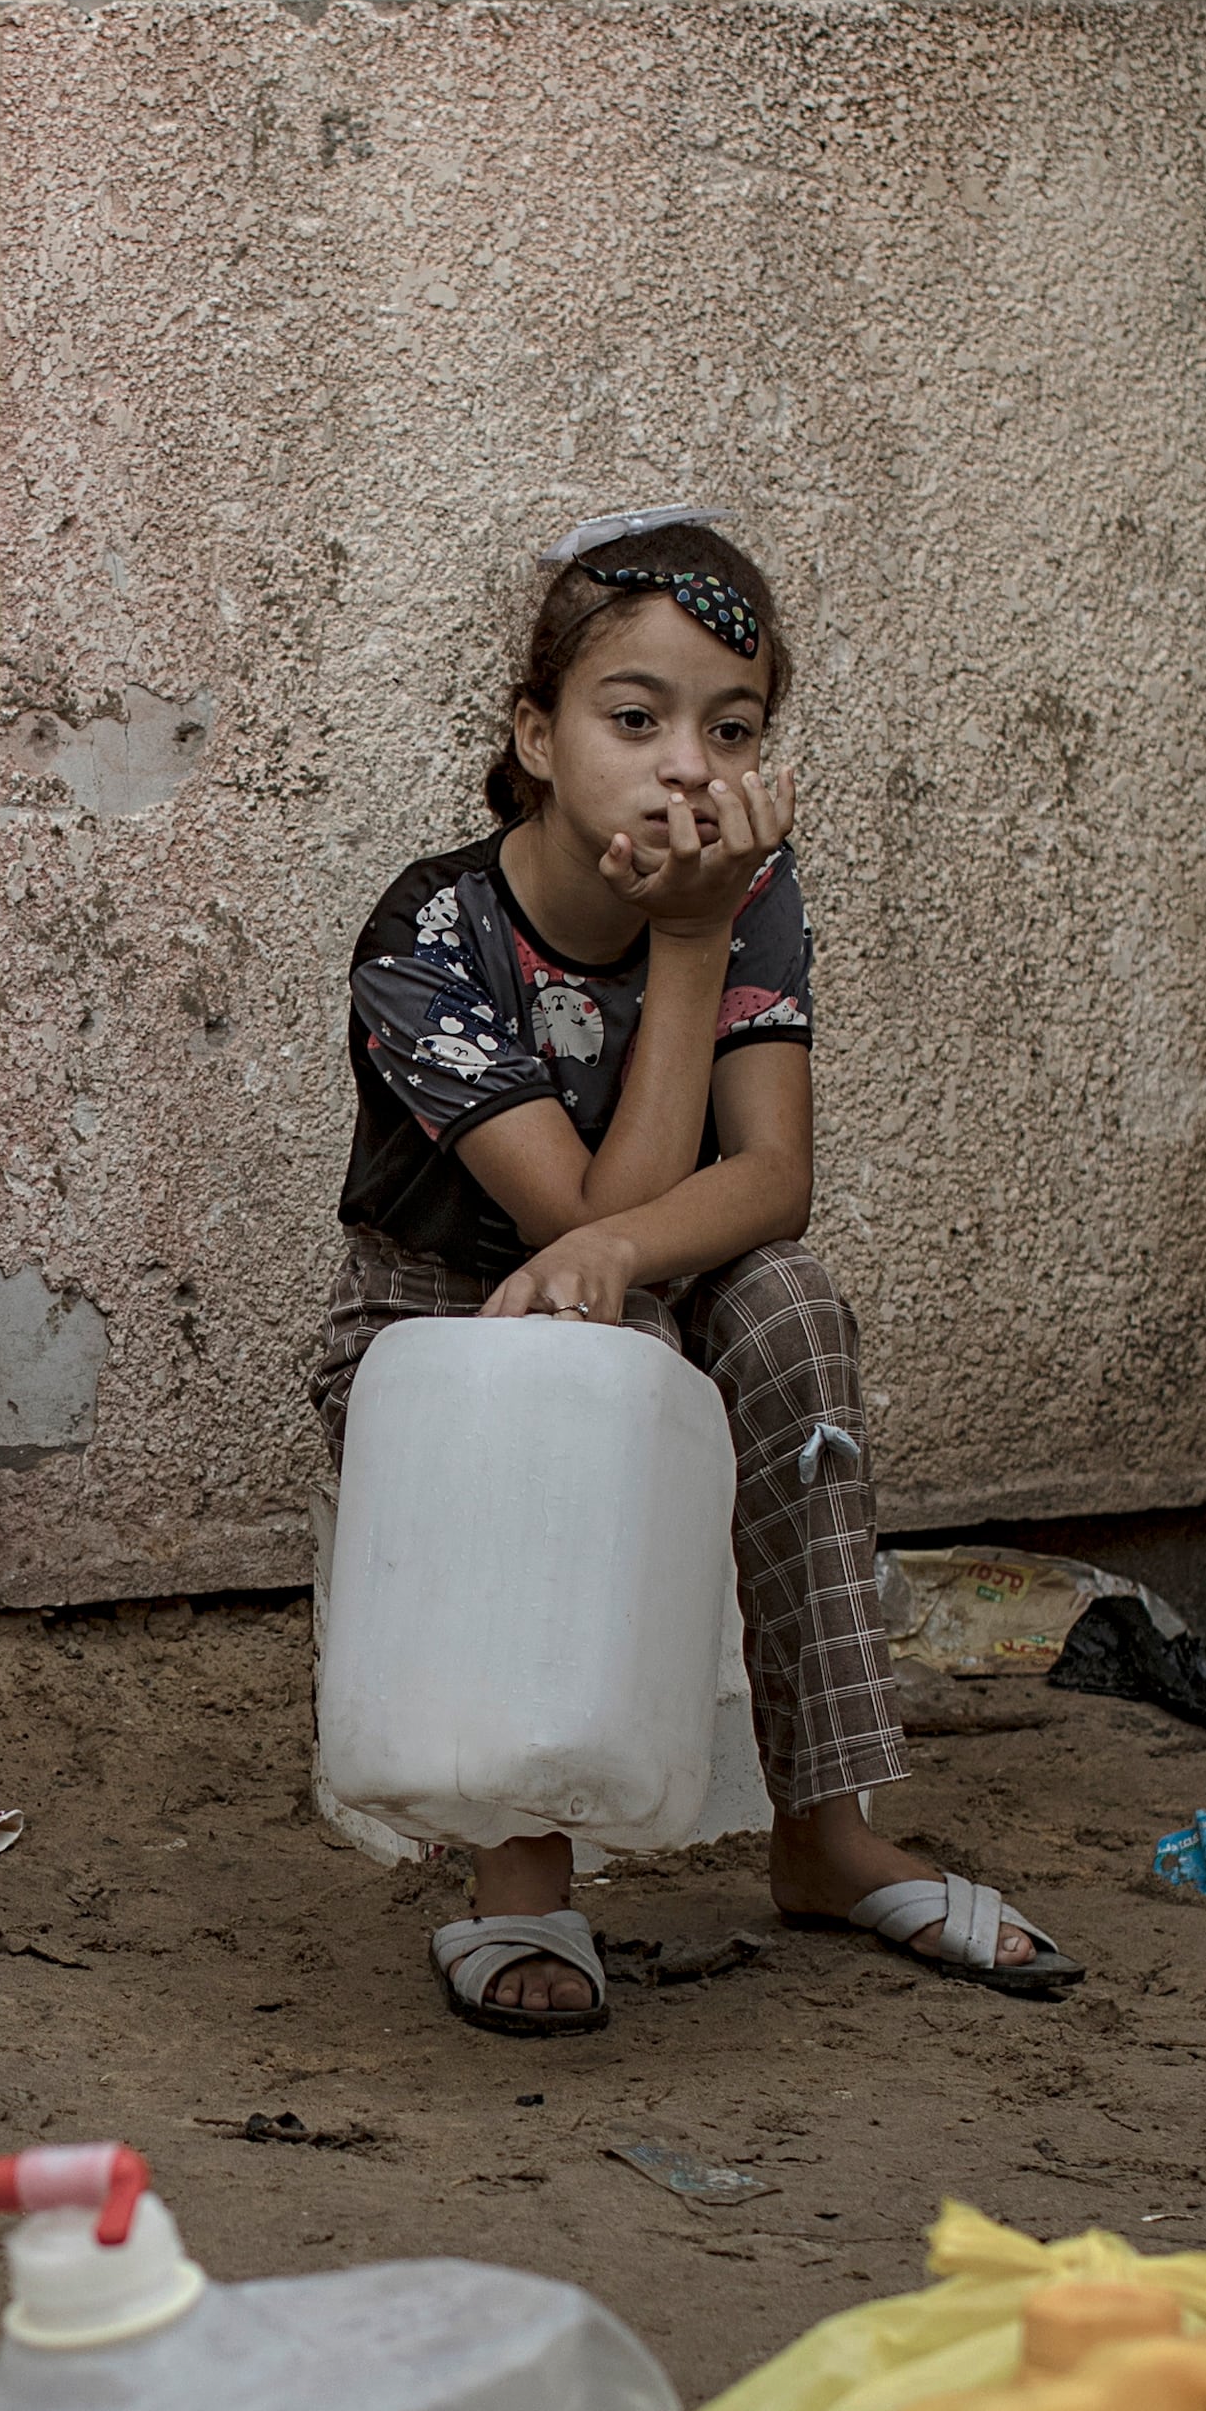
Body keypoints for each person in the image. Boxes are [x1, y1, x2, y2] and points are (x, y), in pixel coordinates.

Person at [315, 505, 1071, 2034]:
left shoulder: (752, 893)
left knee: (789, 1311)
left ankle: (826, 1829)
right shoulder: (433, 928)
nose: (686, 765)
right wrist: (679, 952)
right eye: (635, 716)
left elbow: (772, 1179)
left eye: (732, 728)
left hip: (640, 1281)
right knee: (558, 1367)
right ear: (536, 735)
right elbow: (576, 1215)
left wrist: (704, 938)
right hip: (449, 1329)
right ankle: (520, 1872)